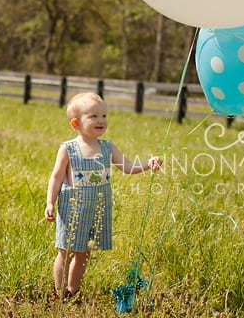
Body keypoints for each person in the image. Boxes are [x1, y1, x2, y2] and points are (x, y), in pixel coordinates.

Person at [44, 92, 161, 299]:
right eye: (94, 116)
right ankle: (59, 292)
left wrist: (147, 164)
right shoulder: (68, 149)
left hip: (97, 209)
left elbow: (127, 167)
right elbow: (56, 177)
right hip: (73, 207)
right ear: (76, 123)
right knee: (66, 250)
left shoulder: (107, 147)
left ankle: (73, 290)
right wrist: (50, 202)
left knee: (84, 253)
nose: (101, 120)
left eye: (104, 115)